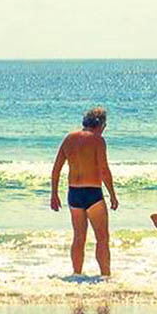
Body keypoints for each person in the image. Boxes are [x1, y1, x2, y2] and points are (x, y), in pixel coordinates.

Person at [50, 107, 119, 277]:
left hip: (74, 194)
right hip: (93, 193)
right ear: (101, 124)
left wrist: (54, 194)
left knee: (79, 237)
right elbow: (104, 170)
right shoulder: (98, 140)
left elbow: (56, 169)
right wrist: (112, 194)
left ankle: (77, 275)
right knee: (102, 238)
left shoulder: (69, 139)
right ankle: (105, 276)